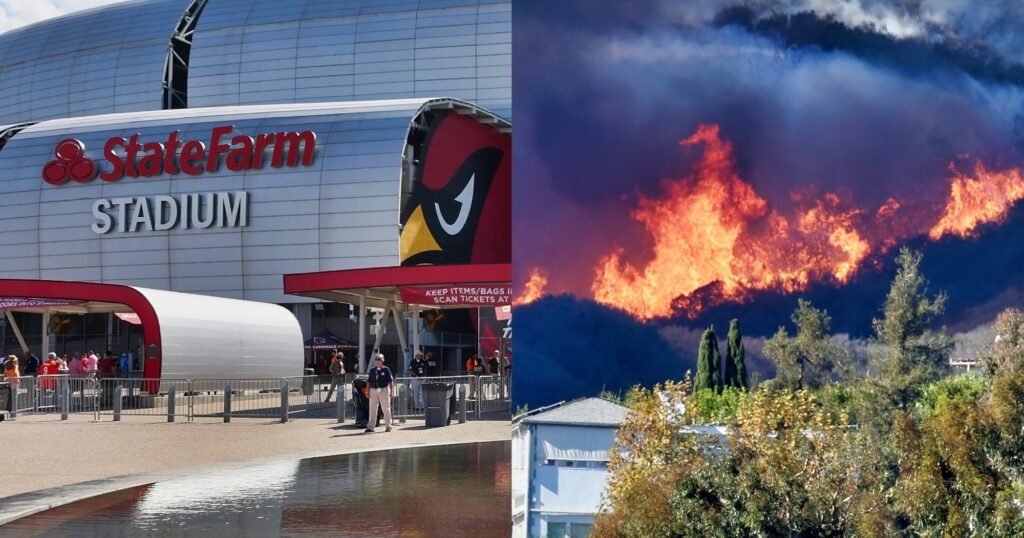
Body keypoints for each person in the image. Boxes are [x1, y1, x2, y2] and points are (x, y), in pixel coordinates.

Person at [365, 354, 394, 433]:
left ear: (383, 360)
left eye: (379, 359)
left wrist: (391, 392)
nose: (378, 361)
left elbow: (391, 381)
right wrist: (367, 391)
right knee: (372, 409)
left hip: (384, 389)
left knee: (386, 409)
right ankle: (371, 427)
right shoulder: (372, 370)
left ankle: (388, 426)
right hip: (373, 390)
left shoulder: (386, 369)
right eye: (376, 359)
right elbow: (369, 381)